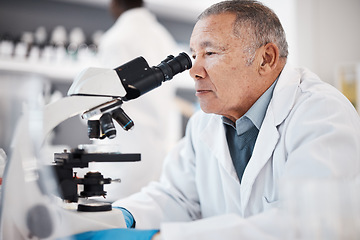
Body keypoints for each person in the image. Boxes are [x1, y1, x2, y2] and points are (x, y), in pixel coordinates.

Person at [72, 0, 360, 239]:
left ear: (266, 58)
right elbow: (177, 197)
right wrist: (123, 218)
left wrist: (160, 238)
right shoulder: (205, 124)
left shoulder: (321, 114)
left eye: (210, 53)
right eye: (194, 55)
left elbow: (307, 226)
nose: (193, 70)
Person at [85, 0, 184, 201]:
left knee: (117, 216)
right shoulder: (162, 36)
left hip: (124, 151)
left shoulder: (117, 38)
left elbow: (102, 100)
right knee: (145, 214)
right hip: (157, 153)